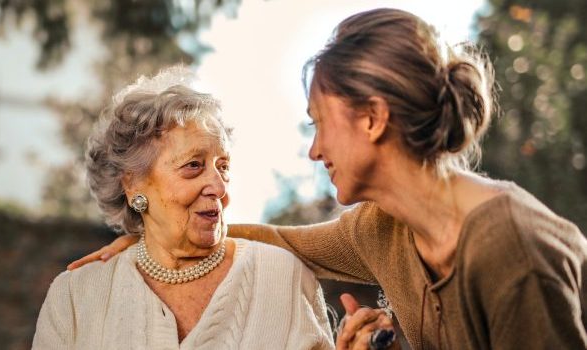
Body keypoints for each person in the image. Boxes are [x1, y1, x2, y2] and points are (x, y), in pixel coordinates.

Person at [68, 8, 587, 350]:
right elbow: (279, 240)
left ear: (372, 118)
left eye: (319, 123)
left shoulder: (511, 249)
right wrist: (153, 236)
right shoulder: (382, 229)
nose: (314, 149)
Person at [32, 68, 335, 349]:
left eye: (223, 166)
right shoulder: (75, 297)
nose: (218, 187)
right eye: (193, 165)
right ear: (133, 184)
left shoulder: (285, 278)